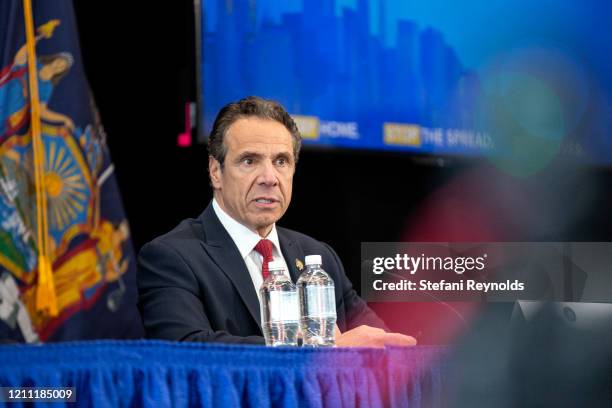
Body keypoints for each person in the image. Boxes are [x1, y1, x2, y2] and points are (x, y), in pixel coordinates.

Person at [137, 96, 416, 347]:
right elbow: (187, 349)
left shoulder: (319, 257)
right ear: (215, 172)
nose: (269, 178)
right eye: (249, 161)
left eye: (281, 161)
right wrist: (323, 351)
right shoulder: (171, 257)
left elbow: (382, 341)